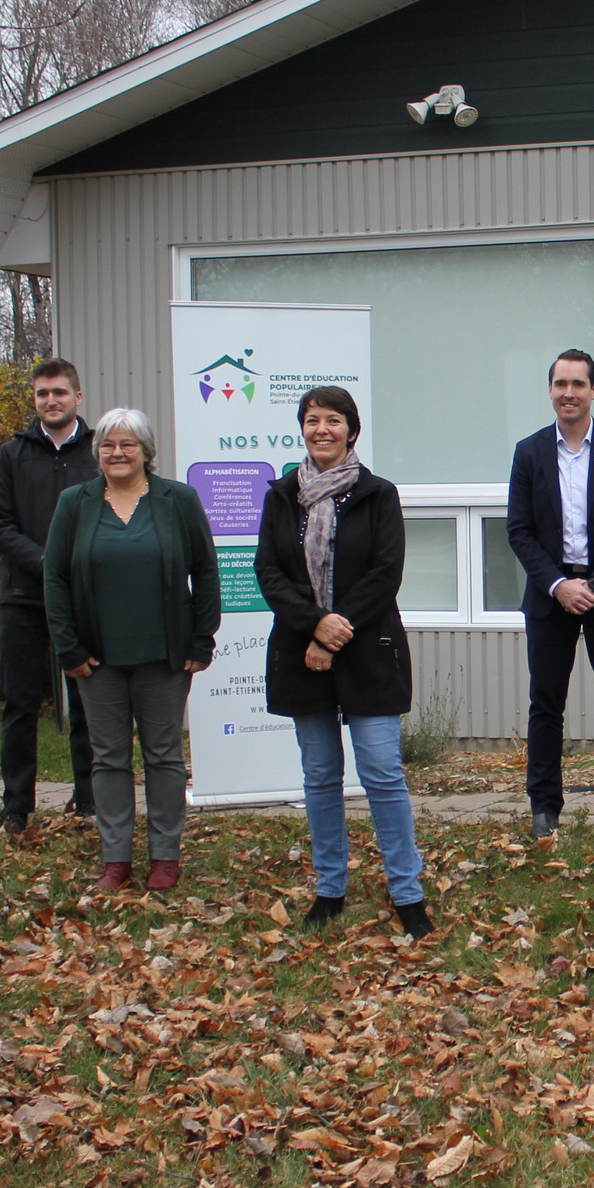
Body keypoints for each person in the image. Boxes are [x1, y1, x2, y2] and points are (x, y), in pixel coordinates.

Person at [255, 386, 434, 937]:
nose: (321, 429)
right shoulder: (282, 495)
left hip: (367, 651)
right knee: (320, 775)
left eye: (333, 420)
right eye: (312, 420)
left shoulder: (378, 494)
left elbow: (386, 573)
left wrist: (332, 633)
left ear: (351, 431)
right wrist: (313, 624)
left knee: (382, 773)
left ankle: (407, 893)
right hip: (300, 650)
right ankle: (329, 888)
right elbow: (269, 573)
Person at [45, 408, 220, 892]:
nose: (117, 453)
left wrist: (201, 638)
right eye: (107, 445)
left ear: (147, 450)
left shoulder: (177, 500)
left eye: (127, 444)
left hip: (165, 655)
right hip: (94, 658)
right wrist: (69, 647)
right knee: (108, 758)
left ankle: (165, 855)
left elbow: (205, 571)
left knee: (163, 756)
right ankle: (115, 859)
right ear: (96, 451)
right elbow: (54, 578)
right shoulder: (73, 504)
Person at [505, 349, 594, 840]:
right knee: (545, 703)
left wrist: (593, 584)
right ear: (550, 390)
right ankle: (544, 806)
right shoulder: (529, 452)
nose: (569, 392)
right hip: (551, 595)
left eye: (578, 383)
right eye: (560, 383)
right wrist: (559, 585)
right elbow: (519, 531)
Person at [0, 359, 101, 836]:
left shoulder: (100, 452)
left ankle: (91, 801)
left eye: (59, 392)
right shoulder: (12, 455)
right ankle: (16, 808)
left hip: (87, 601)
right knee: (20, 705)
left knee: (90, 704)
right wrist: (49, 565)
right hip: (23, 598)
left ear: (77, 396)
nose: (50, 400)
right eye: (41, 394)